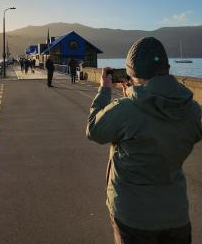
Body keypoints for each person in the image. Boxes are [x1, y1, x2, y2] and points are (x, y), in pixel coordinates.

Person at [87, 37, 202, 244]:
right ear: (165, 67)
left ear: (133, 72)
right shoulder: (192, 109)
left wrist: (105, 89)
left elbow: (94, 129)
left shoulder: (126, 110)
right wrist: (135, 97)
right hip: (176, 216)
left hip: (134, 217)